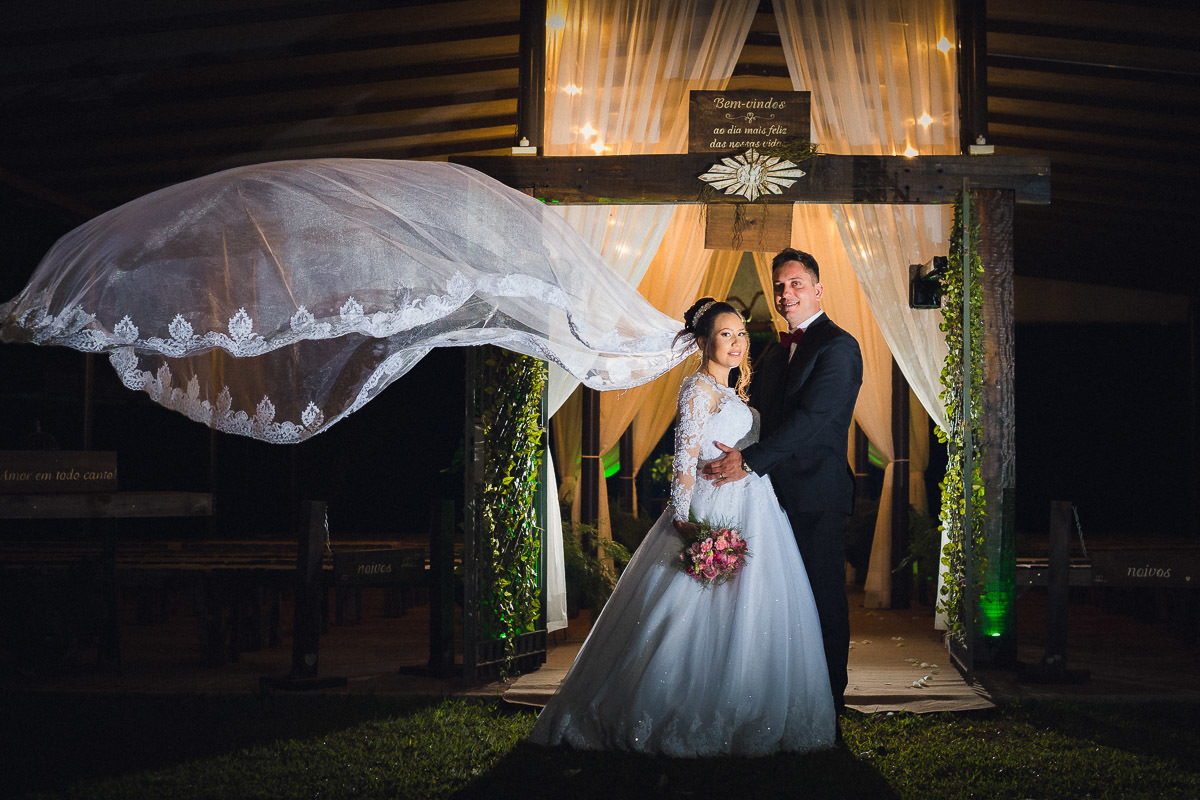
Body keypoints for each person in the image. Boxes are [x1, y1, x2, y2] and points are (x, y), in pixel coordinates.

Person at [529, 298, 836, 756]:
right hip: (712, 509)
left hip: (754, 507)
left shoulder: (734, 394)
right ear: (703, 341)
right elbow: (685, 461)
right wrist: (684, 519)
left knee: (752, 607)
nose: (736, 343)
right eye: (726, 334)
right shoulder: (697, 389)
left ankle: (744, 702)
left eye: (741, 334)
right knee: (688, 607)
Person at [704, 248, 863, 715]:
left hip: (817, 495)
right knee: (779, 601)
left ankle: (830, 702)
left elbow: (812, 421)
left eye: (795, 284)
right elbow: (756, 414)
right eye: (779, 285)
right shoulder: (775, 350)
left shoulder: (839, 346)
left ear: (817, 289)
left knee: (822, 598)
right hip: (769, 499)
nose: (785, 293)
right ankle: (787, 696)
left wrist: (747, 463)